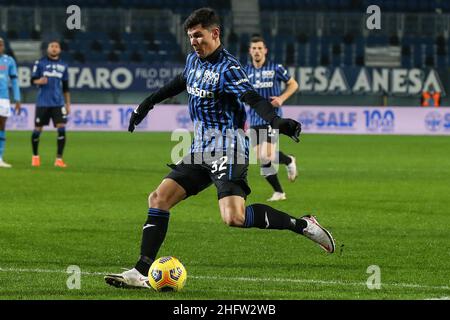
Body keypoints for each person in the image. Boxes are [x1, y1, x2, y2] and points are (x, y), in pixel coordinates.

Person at [104, 8, 335, 289]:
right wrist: (146, 105)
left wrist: (276, 121)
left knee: (234, 217)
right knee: (158, 198)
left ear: (214, 34)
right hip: (200, 148)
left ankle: (303, 225)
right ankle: (141, 271)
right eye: (190, 37)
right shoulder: (193, 61)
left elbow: (252, 98)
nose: (194, 42)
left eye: (198, 36)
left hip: (229, 149)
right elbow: (177, 83)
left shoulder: (229, 67)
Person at [245, 35, 299, 201]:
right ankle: (279, 192)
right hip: (253, 120)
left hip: (271, 119)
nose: (257, 51)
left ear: (265, 51)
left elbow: (293, 84)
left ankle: (288, 160)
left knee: (266, 155)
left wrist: (281, 99)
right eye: (254, 48)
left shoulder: (276, 68)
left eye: (260, 48)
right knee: (261, 158)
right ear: (250, 51)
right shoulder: (245, 71)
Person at [30, 40, 70, 168]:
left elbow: (66, 87)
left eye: (56, 46)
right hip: (43, 103)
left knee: (62, 128)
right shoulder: (40, 63)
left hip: (58, 103)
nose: (54, 48)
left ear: (60, 50)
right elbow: (32, 80)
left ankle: (59, 159)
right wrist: (39, 81)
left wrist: (68, 104)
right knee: (37, 130)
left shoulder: (64, 65)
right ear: (47, 49)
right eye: (52, 46)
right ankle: (35, 156)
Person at [0, 37, 21, 168]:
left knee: (1, 126)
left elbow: (14, 81)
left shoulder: (9, 60)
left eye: (1, 44)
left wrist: (17, 98)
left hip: (3, 98)